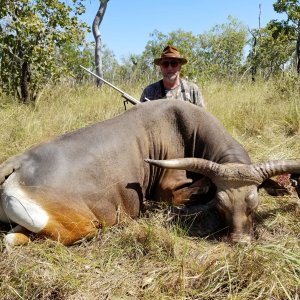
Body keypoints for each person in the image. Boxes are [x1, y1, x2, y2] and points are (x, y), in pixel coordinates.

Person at [140, 45, 205, 107]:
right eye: (165, 64)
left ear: (180, 67)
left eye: (174, 63)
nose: (169, 68)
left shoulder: (192, 90)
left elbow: (202, 116)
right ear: (161, 68)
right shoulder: (149, 91)